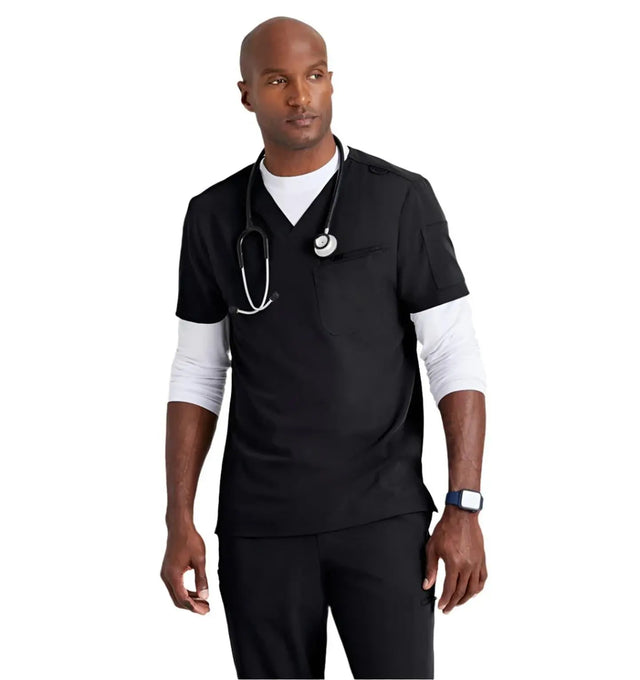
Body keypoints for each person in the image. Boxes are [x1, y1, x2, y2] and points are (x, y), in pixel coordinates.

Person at [161, 15, 488, 680]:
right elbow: (197, 370)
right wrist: (178, 518)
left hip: (383, 518)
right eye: (277, 80)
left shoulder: (399, 200)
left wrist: (464, 505)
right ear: (247, 95)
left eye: (313, 76)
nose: (300, 96)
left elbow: (452, 354)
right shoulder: (214, 216)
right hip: (261, 526)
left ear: (332, 81)